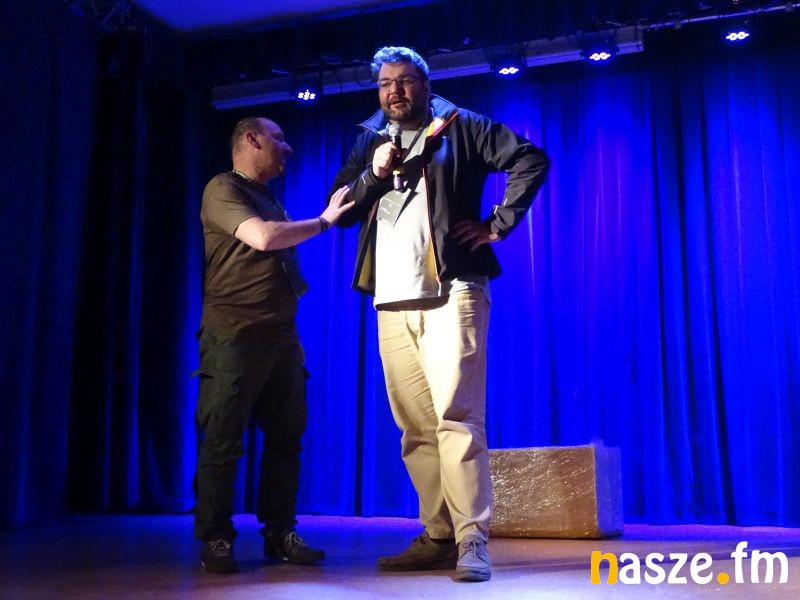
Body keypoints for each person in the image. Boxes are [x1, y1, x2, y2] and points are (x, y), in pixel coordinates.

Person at [329, 46, 549, 582]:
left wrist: (497, 223)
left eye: (405, 81)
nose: (395, 91)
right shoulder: (369, 140)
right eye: (386, 83)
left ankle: (473, 539)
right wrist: (372, 175)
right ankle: (438, 534)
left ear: (425, 85)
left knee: (457, 418)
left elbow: (529, 159)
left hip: (454, 289)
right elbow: (340, 208)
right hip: (390, 297)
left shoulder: (461, 126)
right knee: (415, 428)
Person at [195, 116, 352, 574]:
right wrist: (323, 221)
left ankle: (281, 532)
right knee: (223, 441)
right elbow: (262, 238)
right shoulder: (222, 188)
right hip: (234, 337)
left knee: (286, 440)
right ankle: (217, 537)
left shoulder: (267, 196)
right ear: (251, 139)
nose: (288, 148)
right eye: (279, 139)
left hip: (281, 340)